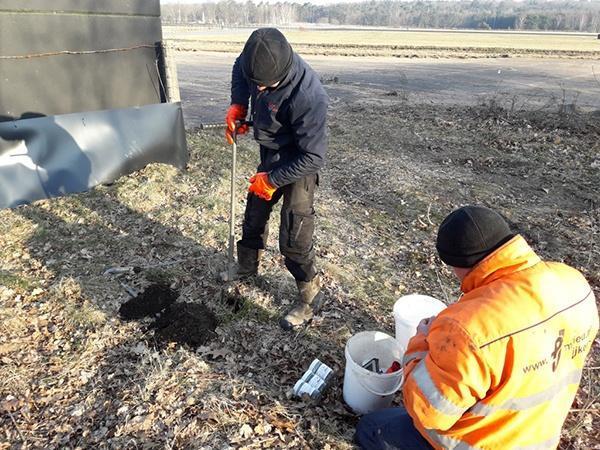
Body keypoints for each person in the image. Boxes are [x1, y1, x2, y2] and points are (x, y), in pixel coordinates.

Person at [355, 205, 598, 450]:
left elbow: (427, 412)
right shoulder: (575, 283)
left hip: (475, 444)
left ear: (459, 263)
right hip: (536, 437)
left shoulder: (469, 327)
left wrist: (422, 341)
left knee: (371, 428)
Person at [223, 28, 328, 331]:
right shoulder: (256, 62)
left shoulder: (309, 97)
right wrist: (239, 104)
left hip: (299, 162)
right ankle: (246, 269)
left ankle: (310, 297)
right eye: (257, 84)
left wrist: (273, 179)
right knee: (254, 213)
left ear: (281, 75)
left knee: (294, 235)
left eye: (264, 86)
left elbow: (314, 157)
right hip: (270, 151)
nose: (261, 90)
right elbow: (239, 68)